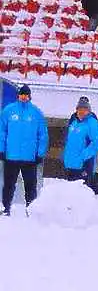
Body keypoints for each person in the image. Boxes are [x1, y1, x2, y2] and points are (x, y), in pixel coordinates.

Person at [1, 85, 49, 216]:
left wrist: (40, 153)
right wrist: (1, 149)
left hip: (29, 157)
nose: (23, 97)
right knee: (9, 185)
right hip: (11, 156)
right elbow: (2, 131)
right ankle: (6, 208)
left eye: (26, 95)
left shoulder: (36, 112)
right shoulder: (8, 110)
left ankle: (30, 209)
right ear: (18, 95)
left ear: (29, 96)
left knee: (30, 186)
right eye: (22, 94)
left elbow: (43, 135)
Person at [61, 96, 98, 186]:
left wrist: (84, 156)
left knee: (82, 190)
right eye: (79, 109)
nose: (81, 111)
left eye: (84, 109)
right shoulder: (74, 123)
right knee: (70, 190)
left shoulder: (92, 123)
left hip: (83, 164)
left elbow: (97, 142)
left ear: (89, 111)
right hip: (70, 163)